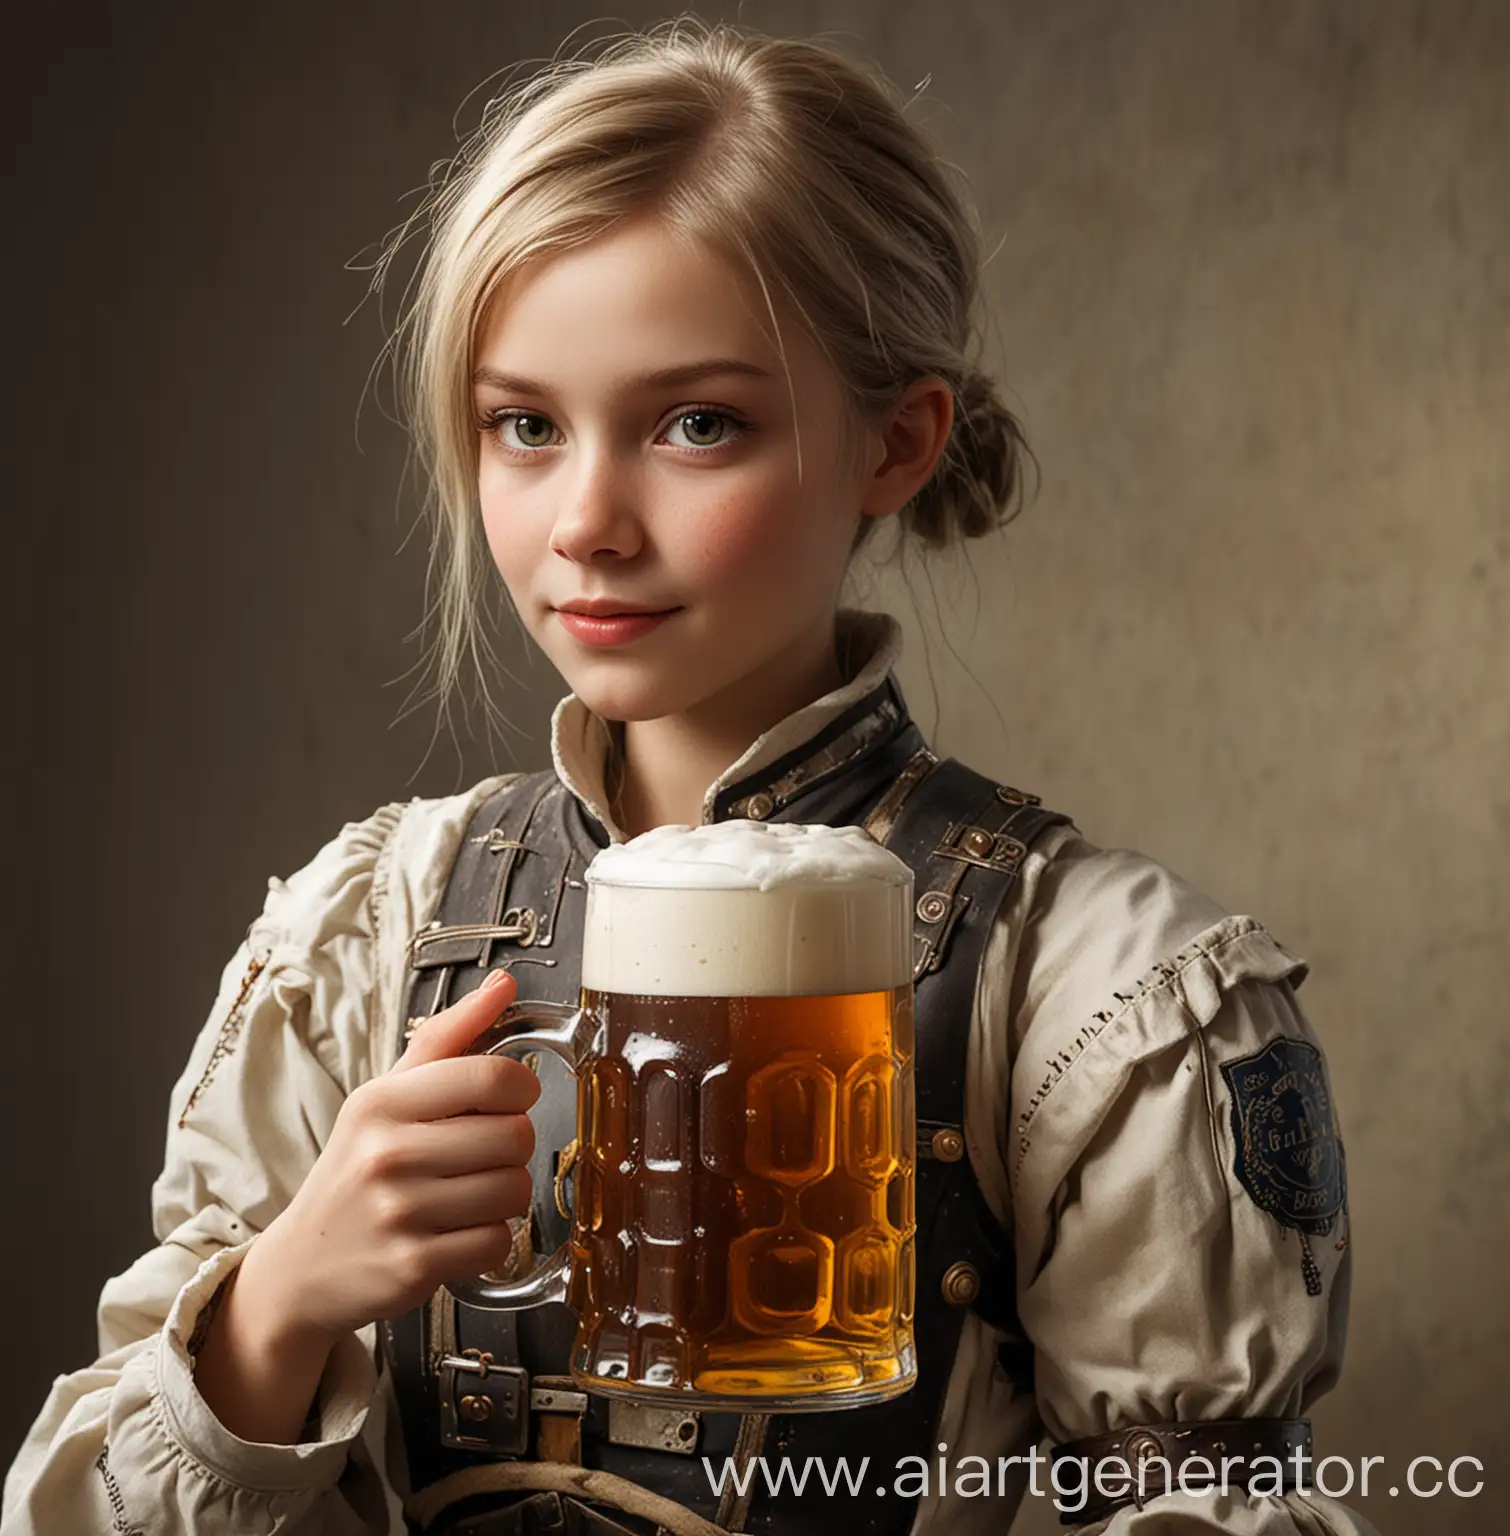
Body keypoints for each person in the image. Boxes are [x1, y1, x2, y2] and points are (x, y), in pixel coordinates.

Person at [2, 19, 1374, 1536]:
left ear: (896, 443)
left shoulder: (1093, 997)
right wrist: (275, 1309)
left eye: (696, 424)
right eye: (525, 426)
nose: (586, 520)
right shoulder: (366, 930)